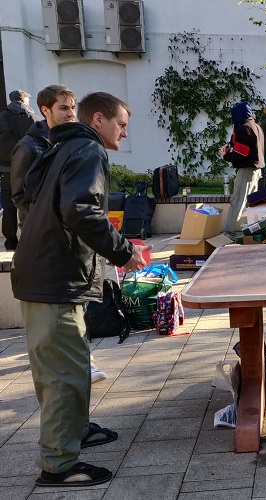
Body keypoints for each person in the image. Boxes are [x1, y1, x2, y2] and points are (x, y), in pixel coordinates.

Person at [11, 91, 150, 487]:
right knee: (64, 375)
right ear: (98, 120)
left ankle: (76, 430)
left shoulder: (61, 148)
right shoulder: (87, 151)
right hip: (54, 280)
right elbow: (80, 209)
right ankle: (59, 465)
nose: (124, 132)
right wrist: (124, 253)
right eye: (121, 124)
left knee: (62, 368)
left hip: (43, 275)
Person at [11, 85, 76, 227]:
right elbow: (19, 196)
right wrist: (48, 218)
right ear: (45, 110)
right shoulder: (27, 147)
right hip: (40, 231)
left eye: (73, 107)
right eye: (64, 108)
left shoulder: (71, 141)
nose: (72, 114)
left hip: (67, 228)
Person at [221, 102, 265, 235]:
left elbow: (242, 152)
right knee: (251, 202)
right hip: (256, 169)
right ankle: (252, 230)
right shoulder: (256, 126)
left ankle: (229, 231)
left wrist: (226, 155)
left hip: (246, 169)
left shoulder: (243, 128)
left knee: (238, 200)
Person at [0, 89, 35, 250]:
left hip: (5, 169)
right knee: (26, 202)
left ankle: (10, 242)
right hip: (27, 168)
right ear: (23, 100)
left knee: (8, 206)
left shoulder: (2, 117)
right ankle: (28, 238)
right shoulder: (32, 118)